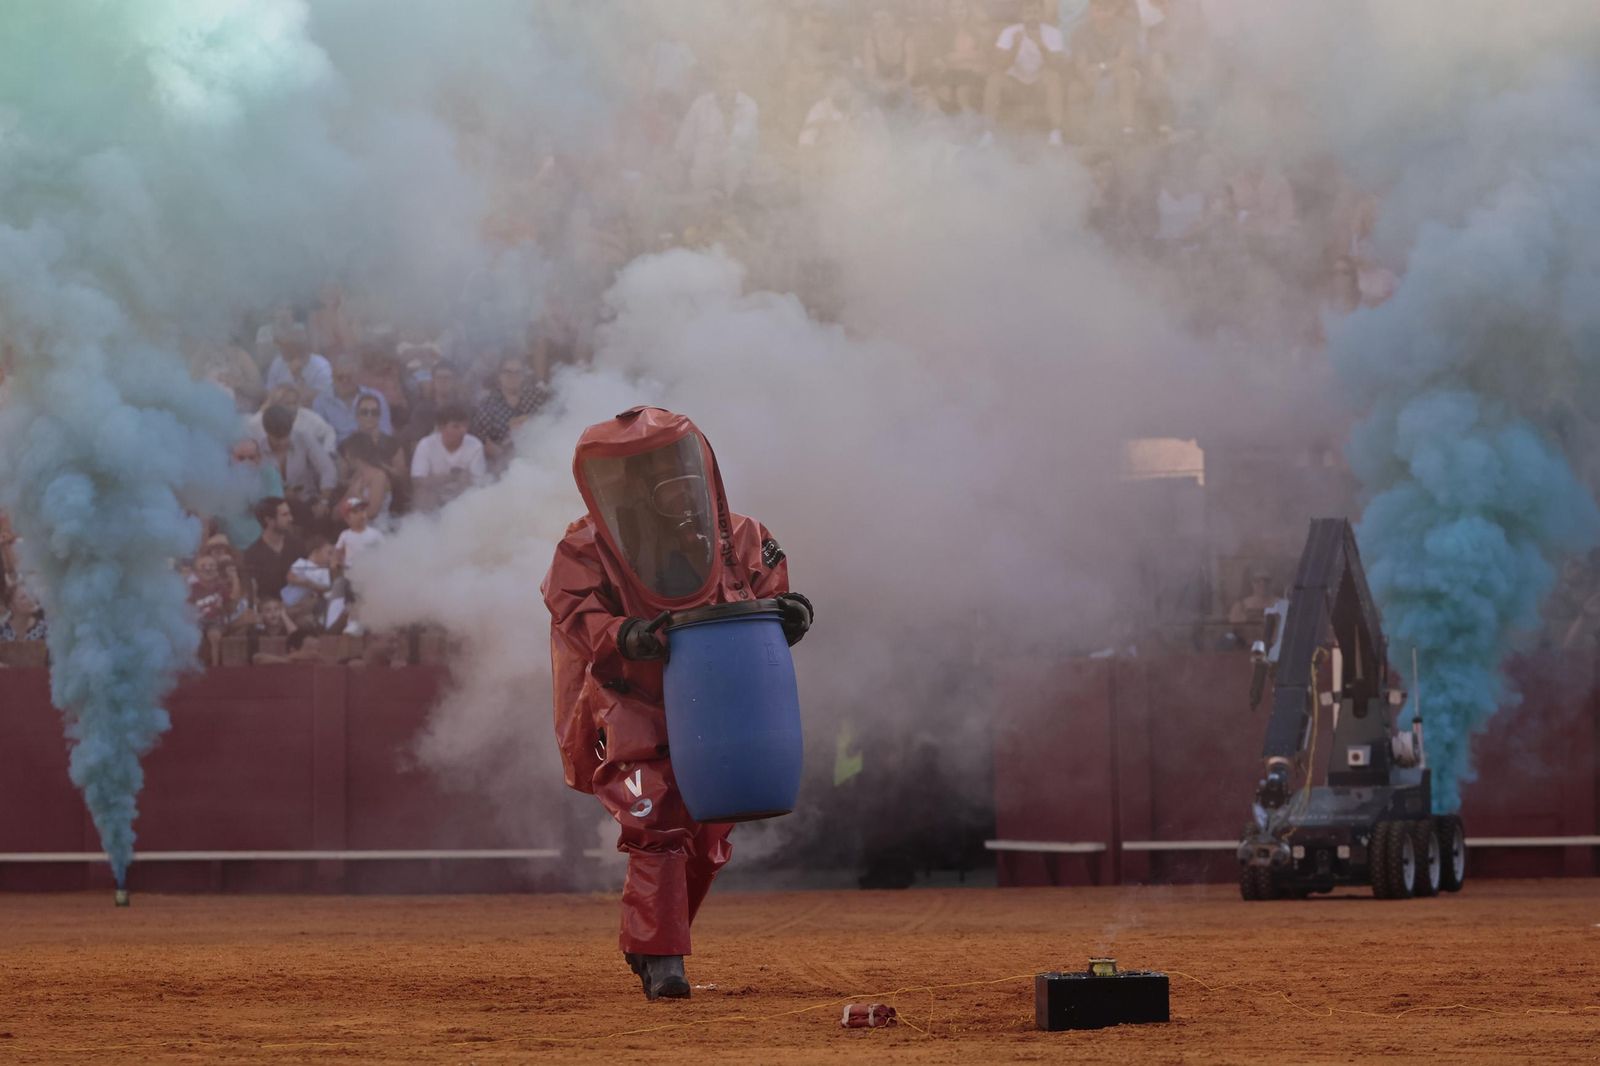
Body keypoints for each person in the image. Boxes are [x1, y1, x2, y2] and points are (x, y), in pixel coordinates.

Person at [542, 406, 813, 1001]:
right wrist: (623, 635)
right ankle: (665, 959)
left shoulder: (744, 536)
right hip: (633, 696)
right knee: (655, 819)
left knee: (709, 830)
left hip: (720, 693)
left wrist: (792, 613)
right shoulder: (585, 548)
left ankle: (652, 941)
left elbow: (774, 593)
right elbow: (574, 612)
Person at [984, 0, 1067, 144]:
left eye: (1036, 12)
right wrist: (1015, 47)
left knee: (1053, 77)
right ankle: (988, 132)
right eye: (1028, 12)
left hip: (1038, 84)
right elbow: (999, 64)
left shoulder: (1053, 33)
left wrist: (1041, 45)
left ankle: (1055, 132)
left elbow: (1058, 67)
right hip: (1015, 83)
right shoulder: (1009, 32)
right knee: (994, 79)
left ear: (1042, 14)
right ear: (1022, 15)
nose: (1032, 16)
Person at [470, 354, 548, 467]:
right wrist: (507, 458)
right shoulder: (487, 405)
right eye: (508, 372)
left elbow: (552, 420)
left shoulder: (537, 397)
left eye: (518, 372)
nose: (513, 376)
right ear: (499, 376)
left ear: (523, 376)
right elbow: (482, 441)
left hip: (538, 457)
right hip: (502, 465)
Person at [410, 405, 486, 511]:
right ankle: (421, 523)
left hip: (463, 497)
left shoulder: (475, 445)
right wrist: (451, 477)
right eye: (456, 426)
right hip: (433, 498)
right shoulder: (426, 444)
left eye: (465, 426)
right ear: (441, 428)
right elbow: (418, 481)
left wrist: (466, 481)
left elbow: (479, 483)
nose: (463, 431)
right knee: (422, 492)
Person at [313, 355, 393, 444]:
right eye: (340, 377)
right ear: (332, 377)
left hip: (373, 447)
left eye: (349, 377)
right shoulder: (320, 402)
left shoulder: (376, 397)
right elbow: (321, 439)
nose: (345, 381)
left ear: (357, 377)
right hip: (338, 453)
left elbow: (386, 431)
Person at [242, 497, 303, 603]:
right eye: (285, 515)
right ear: (269, 520)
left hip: (300, 604)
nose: (291, 519)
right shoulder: (252, 555)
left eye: (289, 514)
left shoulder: (297, 545)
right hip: (270, 611)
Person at [264, 323, 333, 408]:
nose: (280, 349)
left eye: (283, 345)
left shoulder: (321, 367)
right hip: (279, 413)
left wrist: (298, 377)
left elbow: (315, 402)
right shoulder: (277, 362)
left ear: (296, 347)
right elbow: (269, 395)